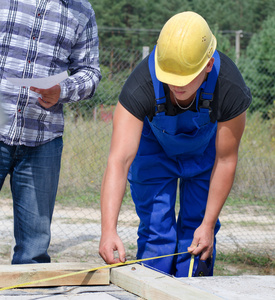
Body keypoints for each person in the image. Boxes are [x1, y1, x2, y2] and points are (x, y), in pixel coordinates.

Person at [99, 11, 252, 277]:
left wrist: (208, 224)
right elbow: (119, 160)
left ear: (207, 65)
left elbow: (226, 160)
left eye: (184, 78)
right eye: (169, 76)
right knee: (157, 231)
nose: (175, 85)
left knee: (197, 234)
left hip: (206, 157)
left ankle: (192, 287)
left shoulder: (229, 87)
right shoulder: (141, 85)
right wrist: (108, 230)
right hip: (153, 153)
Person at [0, 0, 101, 264]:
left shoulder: (82, 11)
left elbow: (90, 73)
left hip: (42, 139)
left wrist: (63, 90)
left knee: (33, 250)